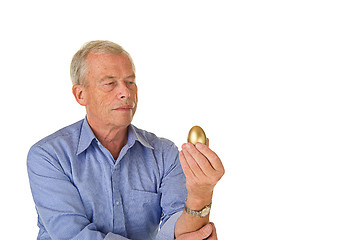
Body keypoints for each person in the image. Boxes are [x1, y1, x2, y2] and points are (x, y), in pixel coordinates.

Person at [27, 40, 224, 240]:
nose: (126, 93)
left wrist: (200, 194)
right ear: (80, 94)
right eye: (110, 84)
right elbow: (75, 236)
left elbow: (183, 229)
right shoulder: (48, 156)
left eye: (130, 82)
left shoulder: (164, 153)